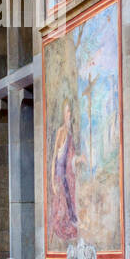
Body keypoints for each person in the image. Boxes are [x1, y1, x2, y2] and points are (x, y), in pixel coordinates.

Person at [48, 101, 80, 242]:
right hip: (60, 175)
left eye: (70, 112)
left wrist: (78, 160)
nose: (68, 114)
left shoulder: (70, 133)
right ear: (63, 114)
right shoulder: (61, 132)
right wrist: (52, 180)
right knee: (61, 204)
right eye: (66, 112)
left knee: (68, 202)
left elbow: (71, 157)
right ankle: (61, 226)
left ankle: (71, 221)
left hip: (67, 175)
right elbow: (55, 156)